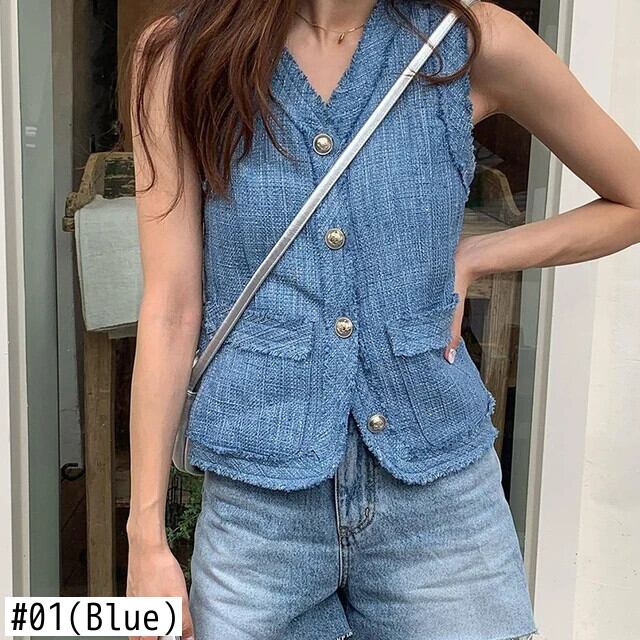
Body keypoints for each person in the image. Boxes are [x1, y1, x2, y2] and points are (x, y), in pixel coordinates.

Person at [123, 1, 640, 639]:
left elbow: (631, 197)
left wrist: (479, 254)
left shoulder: (471, 42)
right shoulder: (181, 53)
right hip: (259, 514)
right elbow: (171, 307)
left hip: (442, 505)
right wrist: (146, 539)